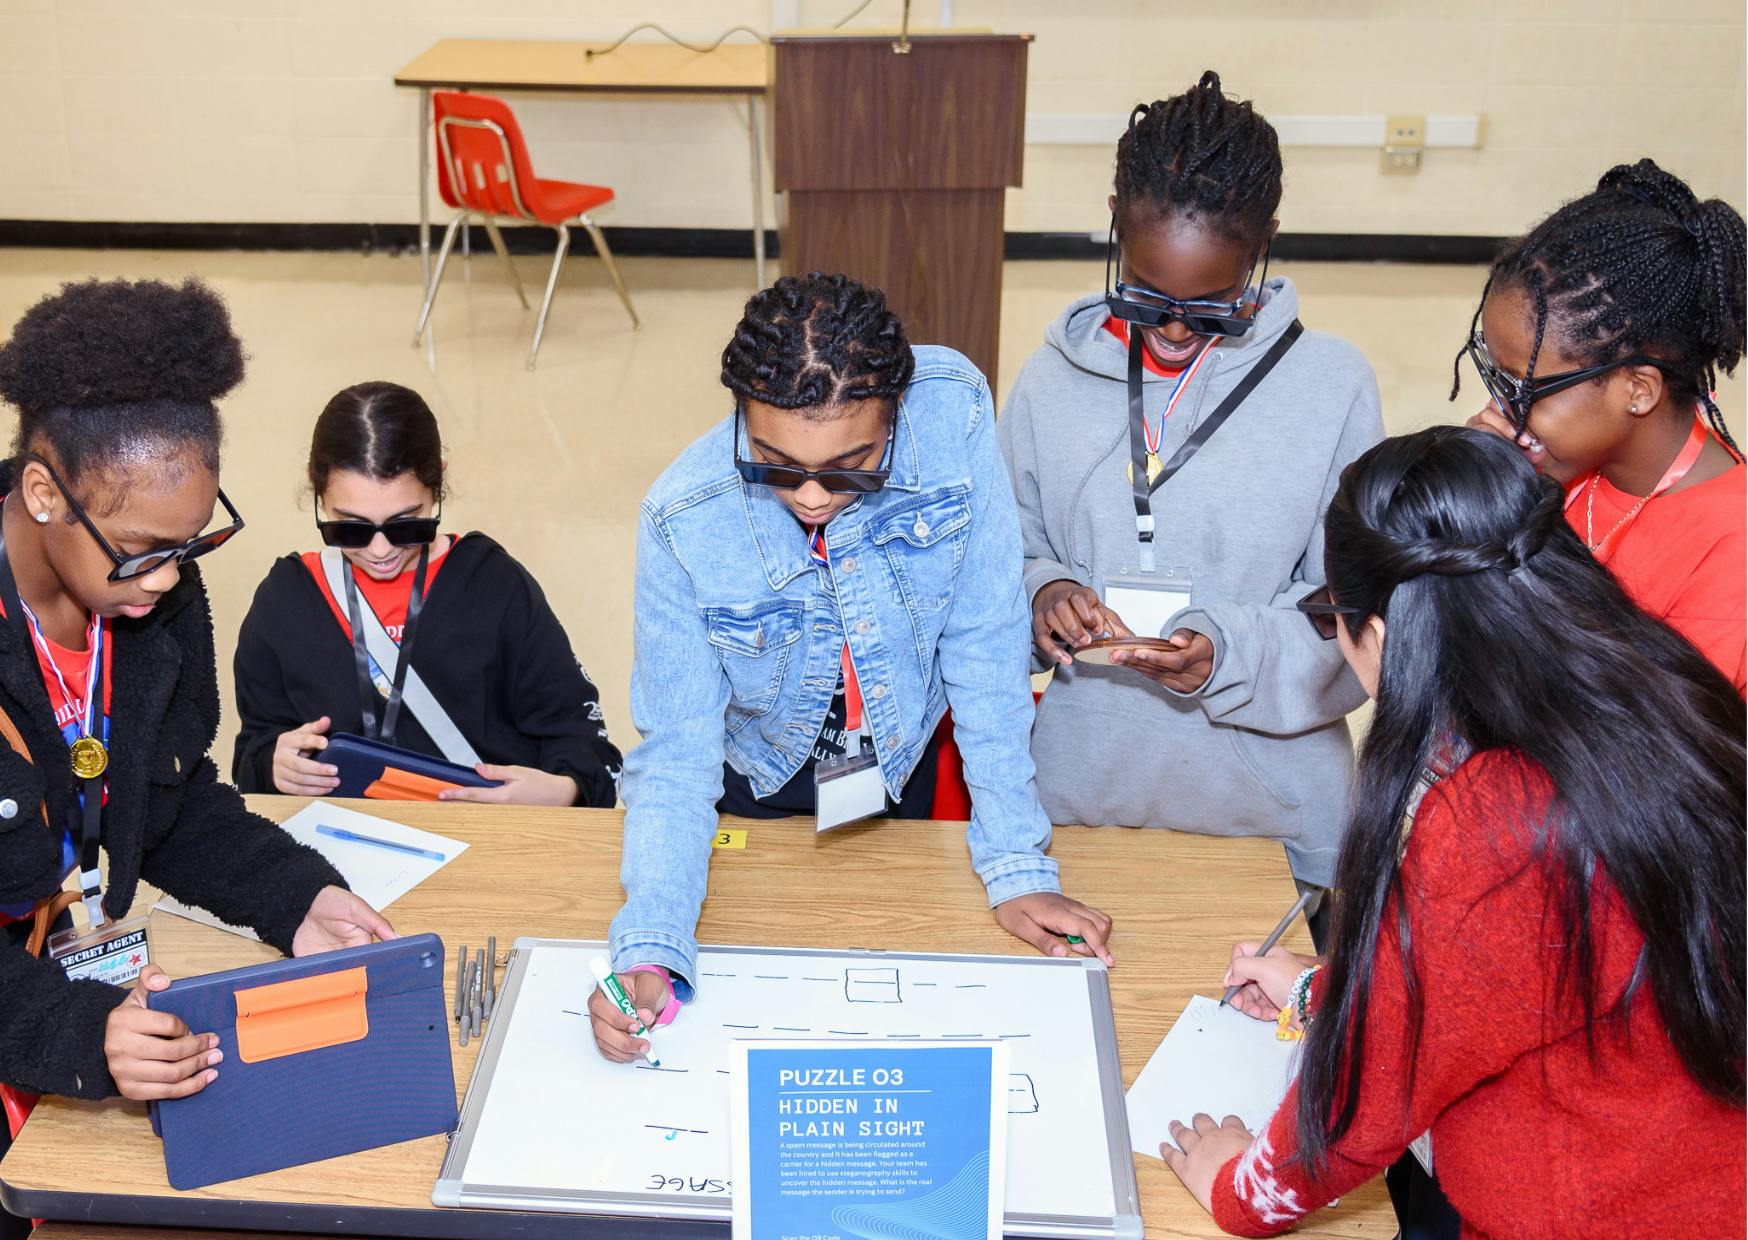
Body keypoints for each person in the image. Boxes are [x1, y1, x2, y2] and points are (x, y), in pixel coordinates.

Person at [1164, 428, 1745, 1238]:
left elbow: (1365, 1100)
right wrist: (1325, 992)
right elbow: (1503, 980)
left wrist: (1236, 1185)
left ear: (1384, 635)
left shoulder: (1499, 823)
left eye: (1334, 620)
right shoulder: (1663, 692)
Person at [589, 273, 1114, 1063]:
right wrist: (653, 944)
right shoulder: (683, 518)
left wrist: (1016, 866)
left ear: (896, 413)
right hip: (757, 789)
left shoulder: (953, 411)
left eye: (851, 466)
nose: (810, 496)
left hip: (898, 765)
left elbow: (983, 645)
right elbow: (675, 758)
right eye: (773, 463)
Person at [0, 279, 394, 1236]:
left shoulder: (152, 595)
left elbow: (167, 804)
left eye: (192, 543)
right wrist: (78, 1032)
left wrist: (291, 897)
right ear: (45, 493)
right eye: (143, 550)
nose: (171, 577)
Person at [997, 71, 1383, 902]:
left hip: (1274, 820)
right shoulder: (1048, 381)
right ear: (1115, 224)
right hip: (1076, 805)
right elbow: (1003, 553)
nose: (1174, 328)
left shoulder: (1333, 388)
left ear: (1264, 244)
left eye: (1212, 305)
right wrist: (1043, 592)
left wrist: (1228, 653)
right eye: (1146, 296)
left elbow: (1355, 612)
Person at [231, 381, 621, 806]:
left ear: (437, 484)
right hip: (340, 838)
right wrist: (273, 764)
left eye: (407, 524)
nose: (380, 550)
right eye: (350, 528)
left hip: (484, 836)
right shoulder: (287, 600)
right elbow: (254, 748)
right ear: (317, 489)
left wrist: (563, 790)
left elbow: (583, 739)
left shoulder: (492, 584)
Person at [1459, 158, 1745, 690]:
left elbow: (1639, 729)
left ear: (1637, 390)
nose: (1502, 408)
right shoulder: (1566, 472)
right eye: (1498, 379)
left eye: (1526, 388)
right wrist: (1484, 498)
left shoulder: (1731, 549)